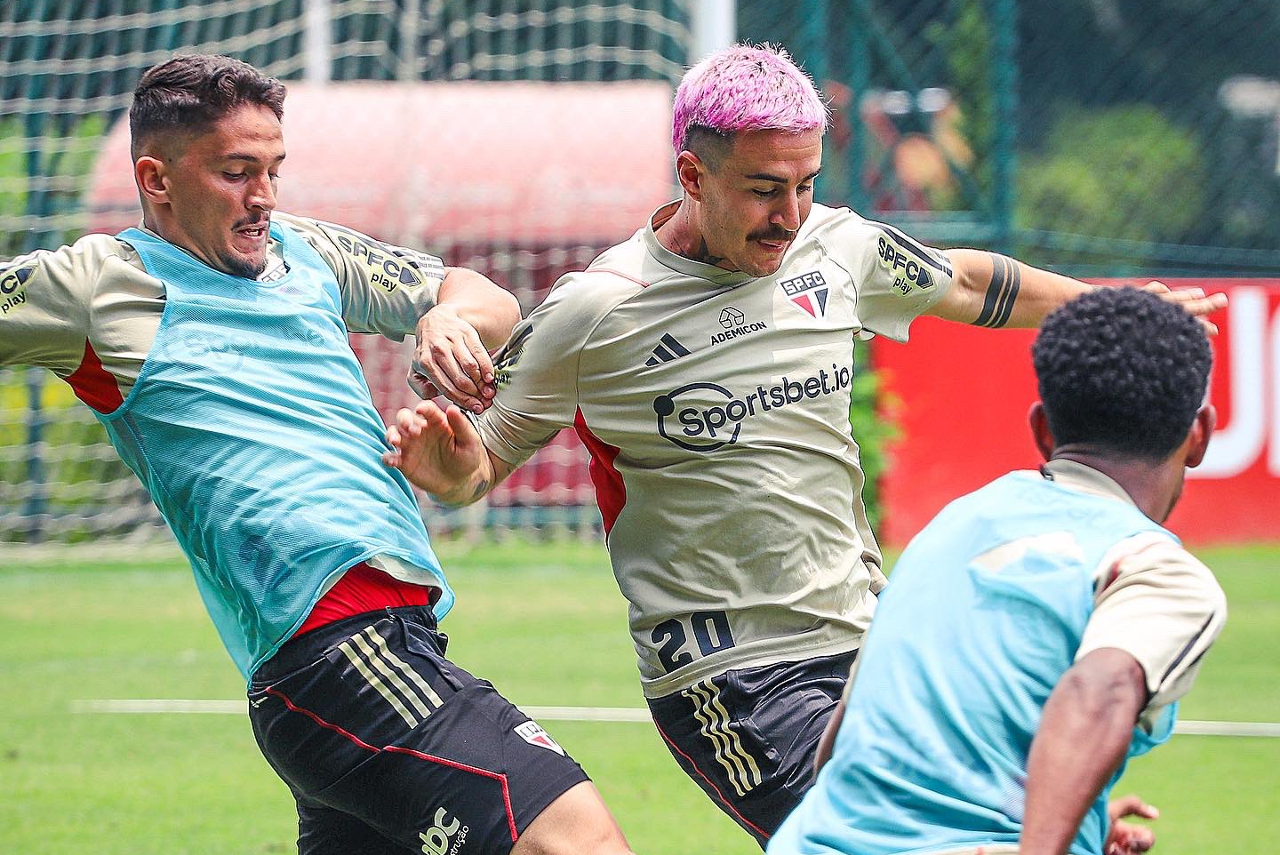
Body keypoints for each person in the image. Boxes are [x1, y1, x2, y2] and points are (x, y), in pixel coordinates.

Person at [381, 44, 1225, 846]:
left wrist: (1111, 308)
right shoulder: (594, 311)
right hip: (735, 678)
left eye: (806, 185)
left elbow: (967, 282)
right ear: (692, 175)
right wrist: (448, 465)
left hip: (874, 639)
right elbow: (480, 463)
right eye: (763, 190)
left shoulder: (836, 245)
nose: (788, 216)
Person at [0, 54, 635, 855]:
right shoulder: (96, 284)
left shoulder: (308, 252)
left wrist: (446, 319)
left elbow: (489, 300)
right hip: (337, 653)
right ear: (156, 180)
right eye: (236, 173)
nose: (263, 195)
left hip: (377, 649)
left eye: (274, 169)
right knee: (578, 838)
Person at [766, 286, 1226, 855]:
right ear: (1200, 434)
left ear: (1042, 430)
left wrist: (1069, 819)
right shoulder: (1156, 571)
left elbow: (842, 745)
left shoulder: (951, 526)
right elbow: (1097, 693)